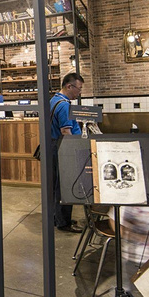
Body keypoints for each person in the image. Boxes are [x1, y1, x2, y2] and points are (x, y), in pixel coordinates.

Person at [51, 73, 84, 233]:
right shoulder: (64, 105)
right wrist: (73, 151)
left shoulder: (53, 100)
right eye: (79, 88)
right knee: (65, 186)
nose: (79, 92)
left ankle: (56, 218)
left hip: (54, 147)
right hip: (63, 147)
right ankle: (64, 222)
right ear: (69, 86)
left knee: (56, 185)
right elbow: (65, 131)